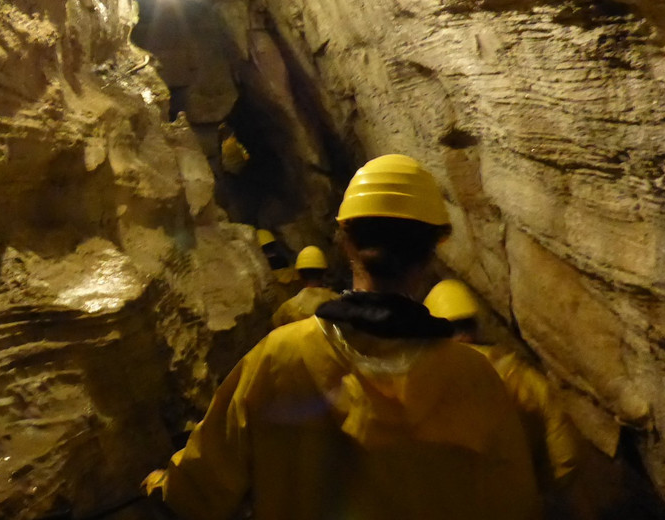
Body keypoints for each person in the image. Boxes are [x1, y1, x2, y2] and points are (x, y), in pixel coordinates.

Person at [144, 154, 539, 520]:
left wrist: (157, 485)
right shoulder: (476, 378)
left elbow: (198, 492)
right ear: (432, 250)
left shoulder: (280, 357)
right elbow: (515, 503)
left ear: (346, 239)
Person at [423, 279, 589, 518]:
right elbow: (566, 455)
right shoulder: (524, 379)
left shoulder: (418, 383)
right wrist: (539, 487)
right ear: (474, 327)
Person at [270, 245, 338, 327]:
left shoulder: (287, 309)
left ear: (299, 275)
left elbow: (272, 331)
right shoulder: (338, 301)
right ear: (324, 273)